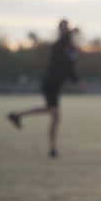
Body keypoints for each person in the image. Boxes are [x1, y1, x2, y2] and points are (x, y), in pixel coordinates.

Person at [7, 19, 84, 158]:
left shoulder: (70, 48)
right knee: (52, 111)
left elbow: (70, 67)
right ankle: (18, 115)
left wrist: (77, 80)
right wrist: (70, 31)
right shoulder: (58, 45)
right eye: (64, 28)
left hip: (56, 84)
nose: (66, 30)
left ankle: (52, 149)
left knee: (55, 116)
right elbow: (63, 48)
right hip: (50, 83)